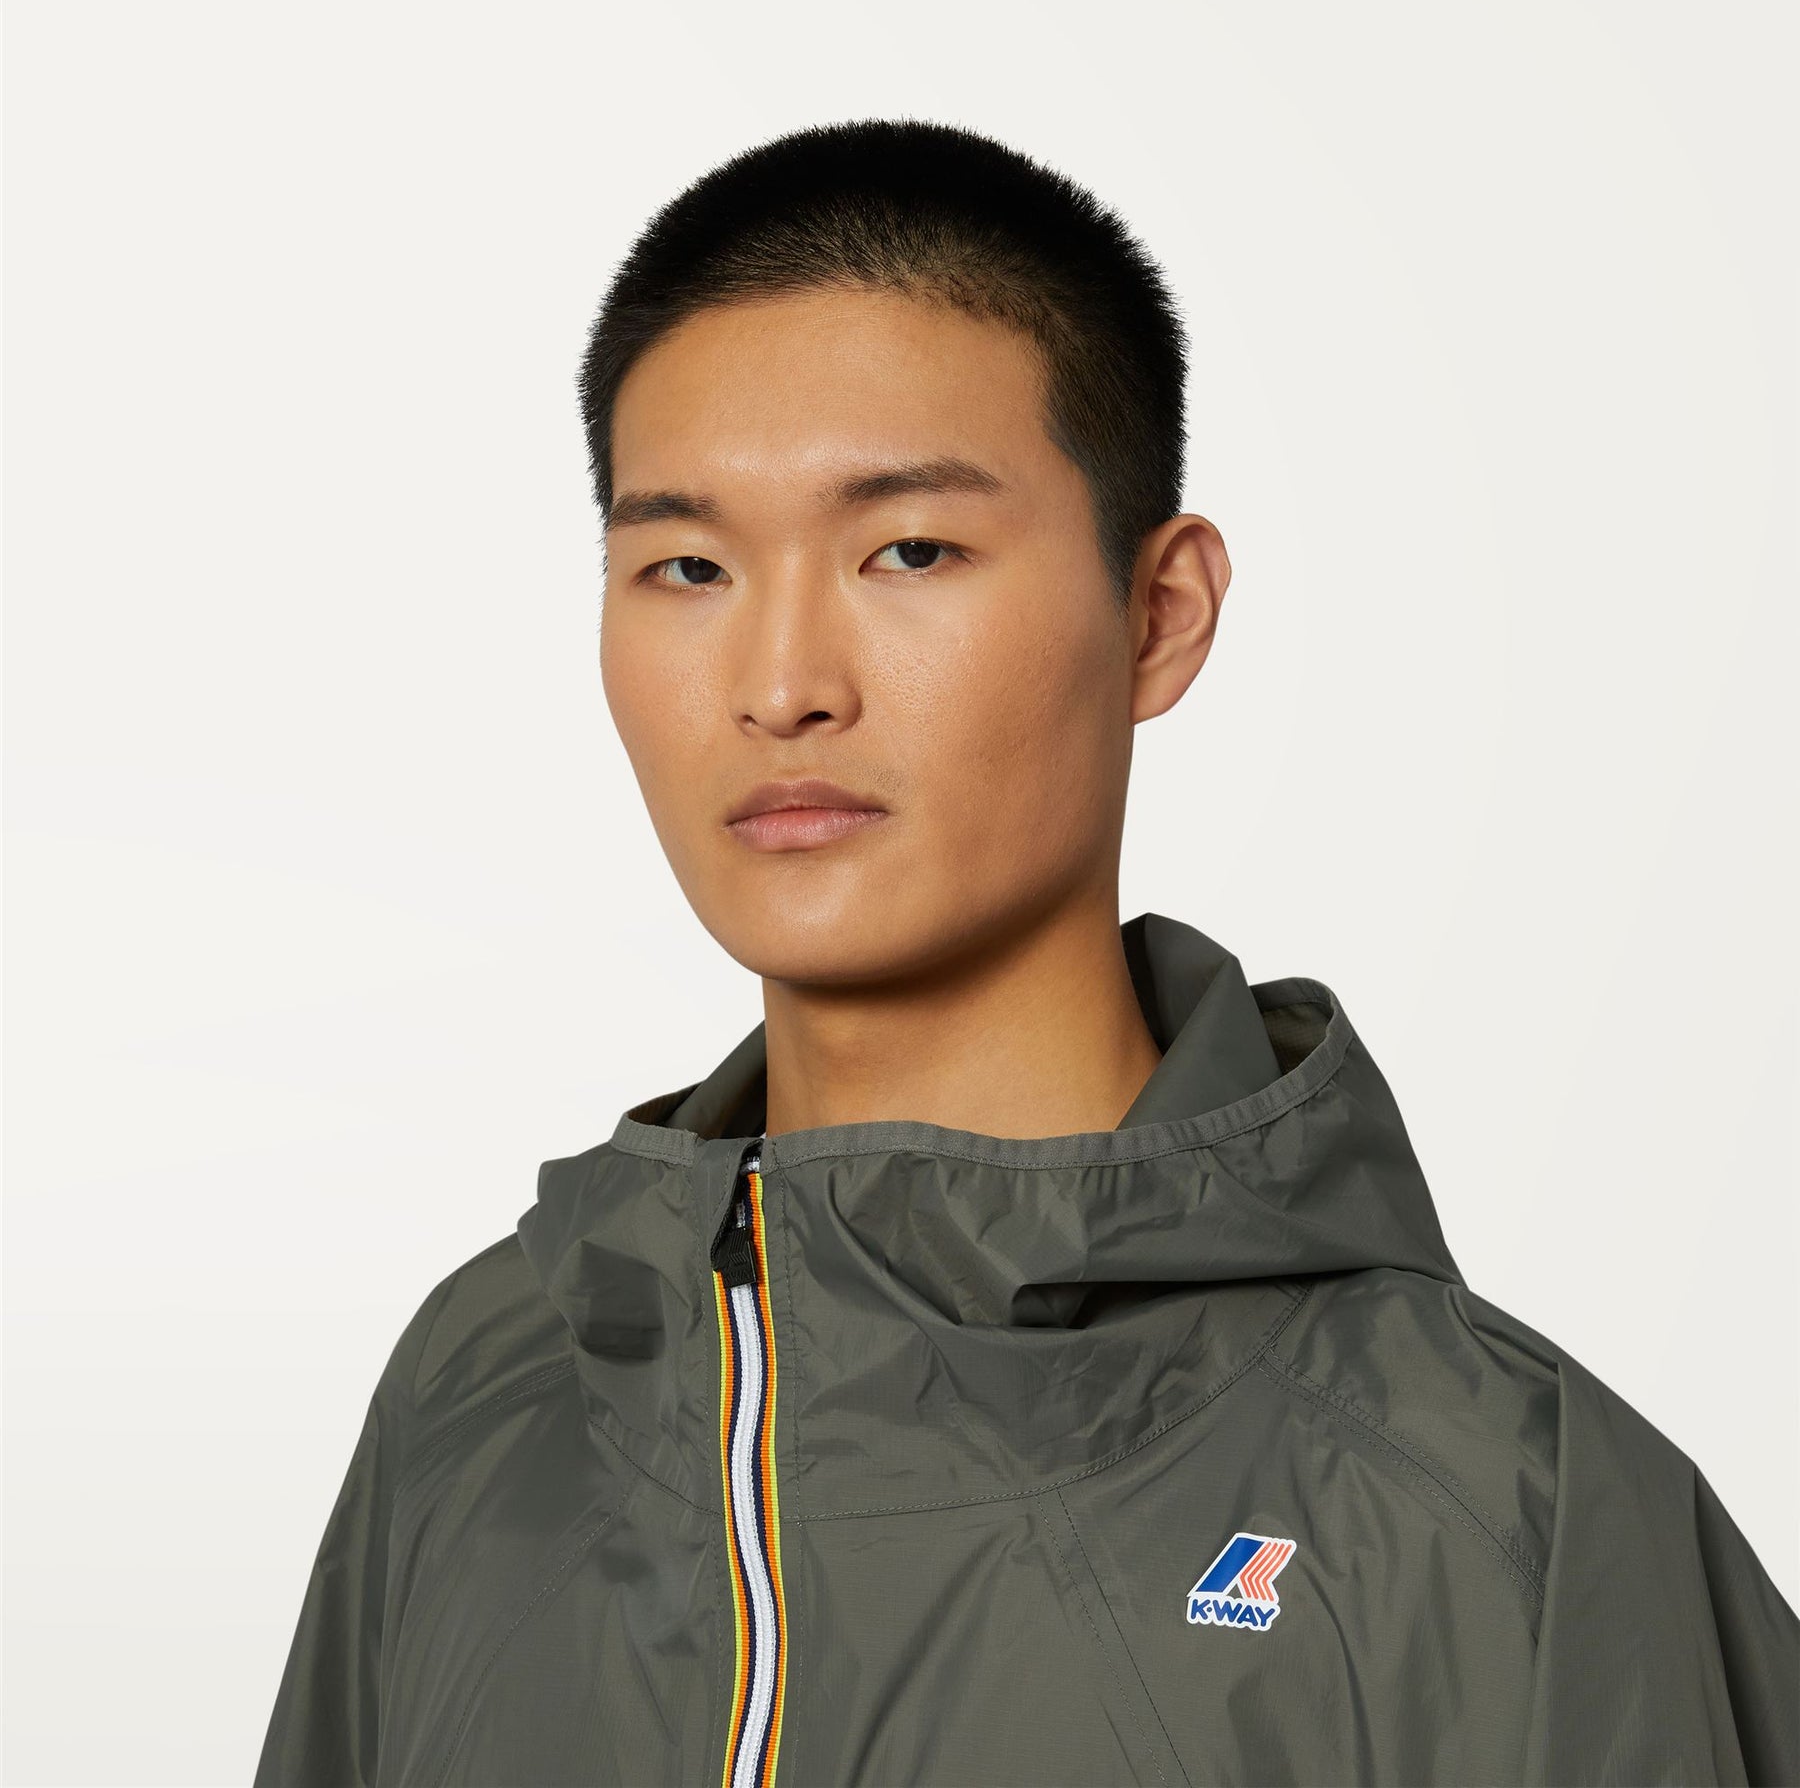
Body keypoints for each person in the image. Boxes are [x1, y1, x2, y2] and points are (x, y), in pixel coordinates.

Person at [253, 117, 1799, 1788]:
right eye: (687, 566)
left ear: (1160, 615)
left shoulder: (1507, 1506)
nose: (780, 685)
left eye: (908, 551)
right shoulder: (487, 1392)